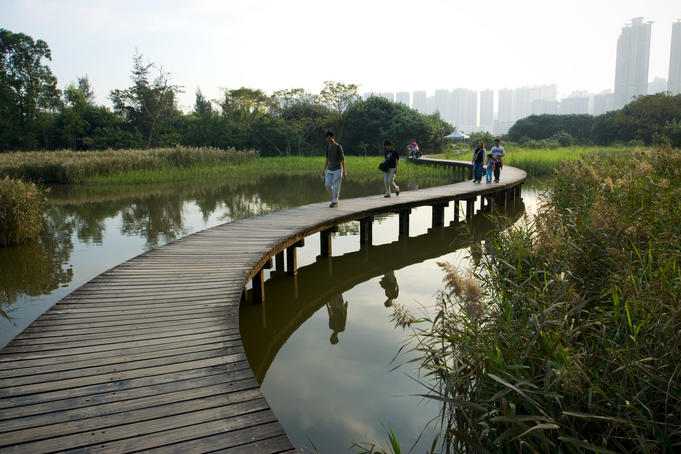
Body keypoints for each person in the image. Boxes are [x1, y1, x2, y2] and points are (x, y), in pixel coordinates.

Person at [322, 131, 347, 207]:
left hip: (338, 169)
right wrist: (324, 170)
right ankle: (335, 198)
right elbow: (327, 159)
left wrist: (344, 171)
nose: (328, 140)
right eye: (327, 139)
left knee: (336, 185)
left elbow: (342, 160)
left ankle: (334, 201)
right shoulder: (327, 147)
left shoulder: (338, 147)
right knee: (327, 185)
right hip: (330, 169)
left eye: (330, 138)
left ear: (333, 138)